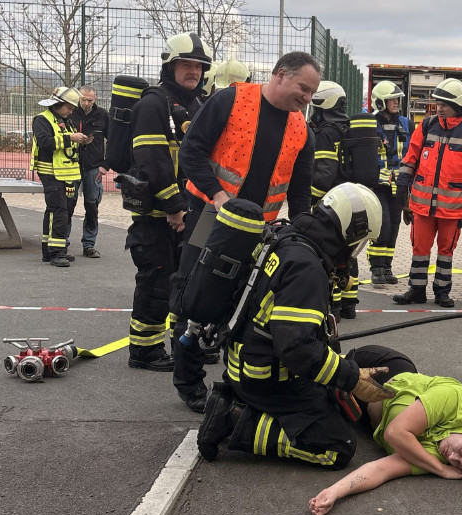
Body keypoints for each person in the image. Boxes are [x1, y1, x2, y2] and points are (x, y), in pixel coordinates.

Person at [195, 183, 390, 468]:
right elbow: (297, 349)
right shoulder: (306, 266)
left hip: (248, 365)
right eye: (359, 243)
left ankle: (237, 401)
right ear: (351, 232)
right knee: (338, 446)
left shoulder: (289, 236)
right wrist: (350, 377)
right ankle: (234, 417)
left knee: (333, 401)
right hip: (266, 381)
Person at [171, 51, 320, 412]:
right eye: (304, 88)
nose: (307, 98)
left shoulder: (302, 129)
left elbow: (300, 193)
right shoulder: (231, 100)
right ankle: (188, 381)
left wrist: (305, 235)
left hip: (260, 229)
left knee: (246, 304)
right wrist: (219, 197)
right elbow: (191, 153)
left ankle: (235, 380)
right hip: (210, 215)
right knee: (195, 295)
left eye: (313, 92)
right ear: (280, 75)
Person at [308, 346, 462, 515]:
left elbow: (381, 469)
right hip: (382, 369)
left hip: (366, 411)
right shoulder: (454, 399)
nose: (452, 457)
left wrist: (334, 492)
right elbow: (395, 433)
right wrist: (439, 469)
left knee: (317, 398)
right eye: (461, 452)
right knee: (317, 363)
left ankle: (337, 392)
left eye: (458, 464)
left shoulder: (441, 457)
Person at [125, 32, 211, 373]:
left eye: (198, 66)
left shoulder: (198, 105)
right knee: (158, 279)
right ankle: (144, 351)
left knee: (191, 278)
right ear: (170, 65)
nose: (193, 71)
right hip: (160, 214)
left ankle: (185, 344)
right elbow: (152, 160)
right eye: (186, 64)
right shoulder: (152, 104)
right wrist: (174, 206)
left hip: (197, 211)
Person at [392, 78, 462, 308]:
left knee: (446, 252)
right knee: (419, 249)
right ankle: (416, 289)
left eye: (443, 103)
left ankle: (442, 292)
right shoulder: (426, 126)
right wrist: (403, 181)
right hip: (423, 205)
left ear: (456, 105)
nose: (439, 107)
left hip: (452, 208)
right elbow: (411, 156)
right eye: (438, 103)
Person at [308, 80, 360, 320]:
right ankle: (350, 304)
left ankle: (334, 307)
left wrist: (311, 200)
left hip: (332, 202)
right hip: (352, 198)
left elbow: (324, 172)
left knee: (329, 252)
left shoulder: (326, 133)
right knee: (348, 253)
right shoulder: (347, 128)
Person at [31, 86, 89, 267]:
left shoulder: (66, 120)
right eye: (69, 107)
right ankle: (56, 253)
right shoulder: (42, 120)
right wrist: (70, 138)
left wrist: (82, 141)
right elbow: (46, 142)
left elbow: (68, 146)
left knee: (61, 211)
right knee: (59, 211)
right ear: (58, 104)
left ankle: (52, 250)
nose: (71, 111)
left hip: (69, 173)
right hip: (51, 172)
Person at [367, 81, 411, 285]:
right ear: (380, 101)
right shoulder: (369, 124)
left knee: (394, 226)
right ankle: (376, 267)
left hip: (398, 185)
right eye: (391, 99)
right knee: (382, 225)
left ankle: (387, 267)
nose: (396, 102)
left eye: (396, 99)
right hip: (377, 184)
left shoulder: (406, 124)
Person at [68, 85, 109, 259]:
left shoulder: (102, 116)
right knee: (67, 205)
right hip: (71, 165)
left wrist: (106, 165)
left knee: (92, 206)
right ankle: (62, 242)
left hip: (94, 167)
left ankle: (89, 244)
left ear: (95, 99)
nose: (86, 103)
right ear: (79, 98)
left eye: (90, 100)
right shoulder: (70, 113)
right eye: (83, 99)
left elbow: (114, 140)